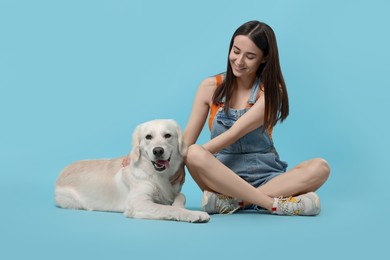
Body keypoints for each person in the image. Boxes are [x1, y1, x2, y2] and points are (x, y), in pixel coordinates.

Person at [124, 20, 330, 216]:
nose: (239, 61)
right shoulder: (209, 87)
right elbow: (186, 140)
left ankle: (237, 204)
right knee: (193, 152)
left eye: (250, 56)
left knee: (320, 167)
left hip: (268, 176)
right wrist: (148, 156)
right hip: (221, 179)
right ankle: (273, 204)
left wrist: (187, 156)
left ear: (264, 58)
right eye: (236, 51)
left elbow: (235, 133)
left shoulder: (271, 92)